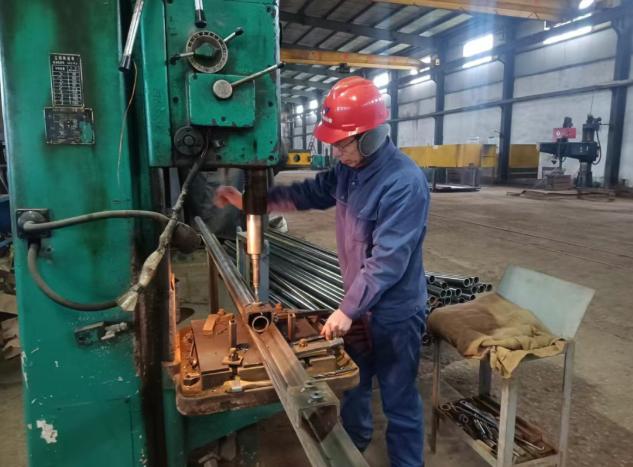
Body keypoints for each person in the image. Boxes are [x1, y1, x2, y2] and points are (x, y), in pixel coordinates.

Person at [214, 76, 430, 467]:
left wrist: (347, 309)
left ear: (370, 138)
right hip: (360, 305)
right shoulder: (349, 168)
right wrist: (253, 202)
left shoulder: (404, 183)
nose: (335, 151)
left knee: (398, 399)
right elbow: (310, 192)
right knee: (353, 383)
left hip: (395, 313)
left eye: (341, 143)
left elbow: (388, 261)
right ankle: (353, 448)